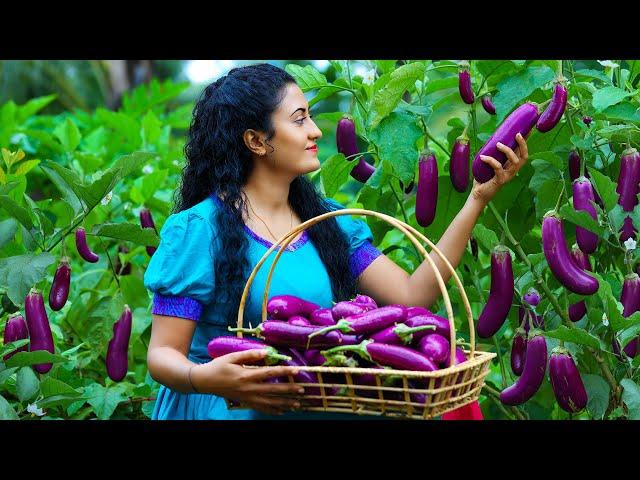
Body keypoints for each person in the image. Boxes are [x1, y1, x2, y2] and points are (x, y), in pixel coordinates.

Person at [143, 63, 529, 420]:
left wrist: (478, 198)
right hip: (222, 410)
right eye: (299, 120)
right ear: (256, 141)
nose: (315, 131)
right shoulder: (198, 230)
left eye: (310, 116)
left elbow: (412, 296)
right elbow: (162, 355)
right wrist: (208, 378)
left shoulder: (329, 222)